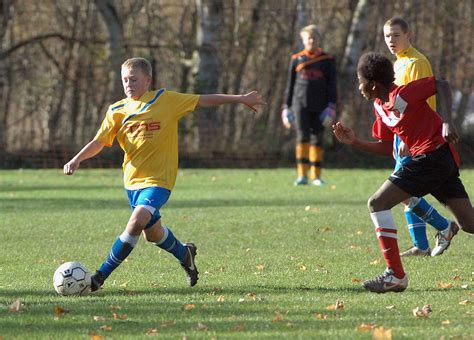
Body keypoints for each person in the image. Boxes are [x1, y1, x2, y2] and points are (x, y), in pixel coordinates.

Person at [63, 57, 265, 292]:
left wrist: (240, 99)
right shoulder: (116, 110)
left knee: (136, 222)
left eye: (134, 79)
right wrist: (77, 158)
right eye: (125, 80)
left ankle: (99, 277)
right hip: (132, 181)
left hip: (159, 180)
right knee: (153, 234)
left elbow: (203, 100)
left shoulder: (165, 100)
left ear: (148, 80)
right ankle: (185, 254)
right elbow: (100, 141)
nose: (129, 84)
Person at [332, 52, 474, 293]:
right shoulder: (380, 106)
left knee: (377, 203)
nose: (359, 87)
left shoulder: (403, 94)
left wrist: (447, 122)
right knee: (470, 223)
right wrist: (354, 142)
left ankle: (395, 275)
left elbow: (442, 85)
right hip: (437, 160)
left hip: (432, 157)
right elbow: (388, 147)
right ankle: (396, 274)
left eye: (360, 81)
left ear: (373, 84)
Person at [383, 17, 458, 257]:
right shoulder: (398, 64)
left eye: (396, 35)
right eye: (387, 36)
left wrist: (411, 137)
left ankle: (444, 226)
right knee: (405, 190)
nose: (391, 41)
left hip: (416, 137)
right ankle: (421, 245)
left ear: (408, 35)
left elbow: (424, 100)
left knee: (403, 189)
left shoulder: (416, 62)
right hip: (403, 134)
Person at [282, 24, 337, 186]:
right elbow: (290, 86)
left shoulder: (327, 60)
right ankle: (302, 175)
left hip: (320, 106)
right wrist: (286, 108)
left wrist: (331, 106)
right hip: (299, 105)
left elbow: (332, 85)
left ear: (319, 40)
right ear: (303, 40)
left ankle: (316, 176)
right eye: (308, 38)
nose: (311, 41)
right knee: (302, 136)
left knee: (317, 138)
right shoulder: (296, 59)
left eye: (314, 38)